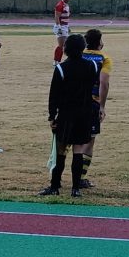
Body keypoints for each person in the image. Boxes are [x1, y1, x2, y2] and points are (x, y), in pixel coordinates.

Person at [39, 34, 98, 198]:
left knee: (61, 151)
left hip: (66, 114)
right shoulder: (92, 66)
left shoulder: (61, 68)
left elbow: (54, 95)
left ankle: (55, 186)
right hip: (85, 113)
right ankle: (75, 189)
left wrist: (52, 116)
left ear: (66, 49)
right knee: (78, 150)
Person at [79, 28, 112, 189]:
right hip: (91, 103)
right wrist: (102, 106)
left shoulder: (78, 54)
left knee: (69, 141)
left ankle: (57, 176)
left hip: (74, 102)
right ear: (100, 42)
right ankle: (80, 177)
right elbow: (104, 83)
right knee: (89, 140)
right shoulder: (104, 58)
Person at [53, 0, 71, 66]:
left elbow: (66, 17)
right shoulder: (60, 5)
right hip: (61, 27)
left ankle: (59, 60)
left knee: (65, 45)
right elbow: (57, 17)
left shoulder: (66, 5)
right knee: (62, 45)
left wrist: (68, 26)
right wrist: (59, 28)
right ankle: (56, 61)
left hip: (65, 27)